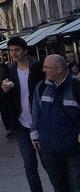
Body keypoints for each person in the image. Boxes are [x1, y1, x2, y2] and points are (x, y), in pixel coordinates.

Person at [31, 54, 80, 192]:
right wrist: (34, 135)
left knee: (76, 186)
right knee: (58, 186)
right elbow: (36, 113)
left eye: (47, 67)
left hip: (73, 150)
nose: (43, 70)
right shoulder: (41, 88)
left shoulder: (76, 86)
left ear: (59, 69)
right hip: (49, 149)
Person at [2, 36, 45, 192]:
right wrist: (5, 91)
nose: (14, 53)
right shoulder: (10, 70)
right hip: (21, 124)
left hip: (40, 123)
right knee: (29, 164)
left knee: (48, 162)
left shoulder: (38, 67)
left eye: (17, 50)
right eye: (11, 50)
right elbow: (7, 100)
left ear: (25, 51)